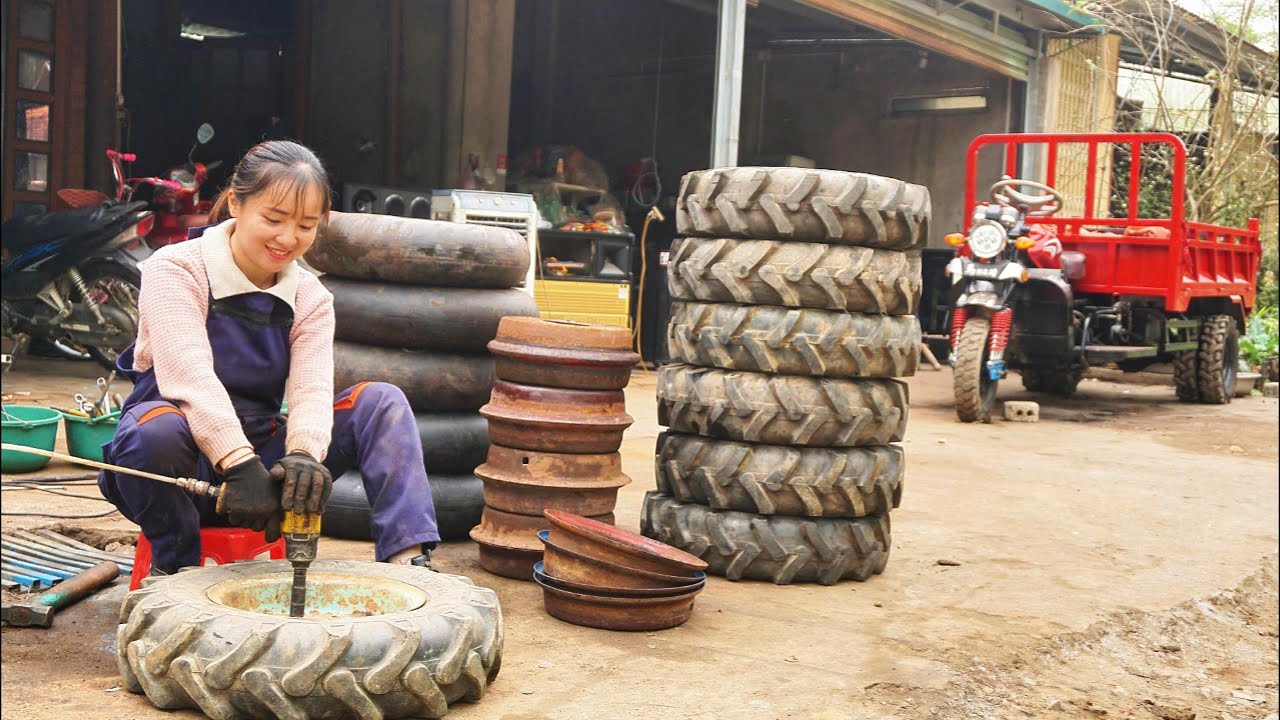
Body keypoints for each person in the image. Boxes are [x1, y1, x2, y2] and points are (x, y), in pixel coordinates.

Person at [98, 140, 439, 575]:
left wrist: (302, 459)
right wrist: (239, 464)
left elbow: (311, 390)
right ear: (236, 205)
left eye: (306, 225)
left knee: (381, 402)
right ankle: (175, 570)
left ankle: (409, 564)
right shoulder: (176, 269)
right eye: (274, 219)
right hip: (173, 477)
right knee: (155, 432)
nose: (287, 238)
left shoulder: (310, 297)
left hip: (263, 478)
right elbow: (190, 379)